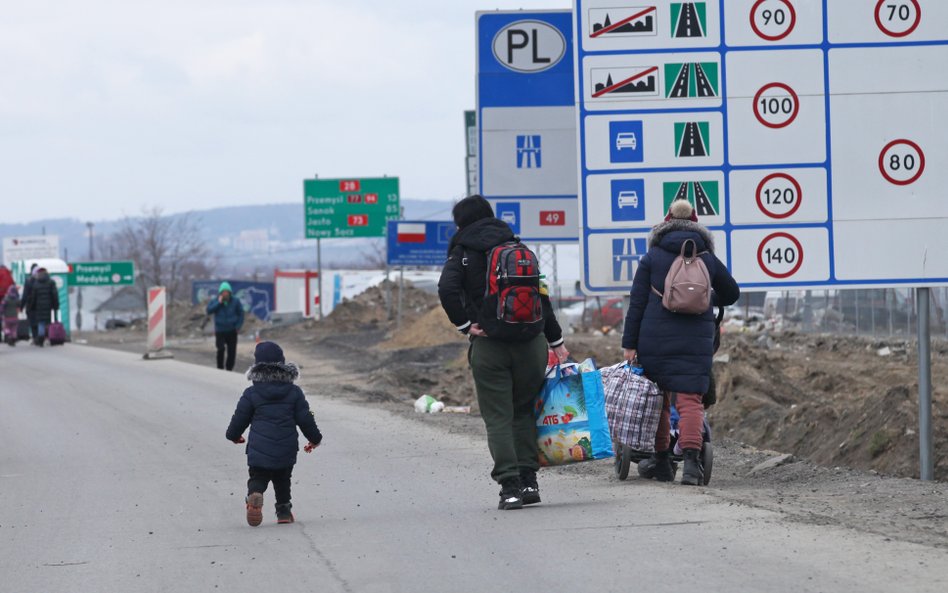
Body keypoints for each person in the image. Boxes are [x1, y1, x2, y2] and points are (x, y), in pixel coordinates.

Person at [438, 195, 569, 510]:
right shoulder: (517, 247)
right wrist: (556, 341)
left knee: (498, 417)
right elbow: (541, 298)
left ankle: (509, 486)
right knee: (523, 412)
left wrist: (466, 325)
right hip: (531, 344)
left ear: (462, 222)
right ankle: (529, 482)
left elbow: (446, 288)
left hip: (490, 345)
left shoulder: (463, 251)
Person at [621, 199, 740, 486]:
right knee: (689, 401)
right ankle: (690, 465)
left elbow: (636, 304)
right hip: (696, 341)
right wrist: (708, 296)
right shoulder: (708, 259)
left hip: (654, 340)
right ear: (697, 225)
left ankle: (661, 462)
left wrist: (630, 344)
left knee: (659, 401)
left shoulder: (652, 257)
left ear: (665, 222)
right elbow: (732, 293)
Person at [226, 341, 323, 526]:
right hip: (286, 447)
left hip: (259, 448)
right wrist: (315, 439)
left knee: (258, 477)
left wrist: (233, 435)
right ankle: (284, 512)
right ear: (283, 363)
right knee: (283, 478)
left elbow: (239, 417)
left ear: (257, 366)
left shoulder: (251, 393)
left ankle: (255, 495)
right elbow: (307, 416)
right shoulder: (295, 392)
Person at [206, 281, 244, 371]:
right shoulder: (215, 301)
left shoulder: (235, 301)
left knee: (232, 352)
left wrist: (238, 326)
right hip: (220, 330)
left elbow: (241, 314)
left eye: (227, 292)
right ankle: (220, 368)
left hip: (232, 330)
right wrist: (219, 303)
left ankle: (229, 369)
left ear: (230, 292)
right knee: (220, 349)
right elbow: (208, 311)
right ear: (220, 293)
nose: (225, 294)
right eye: (223, 292)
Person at [27, 267, 59, 347]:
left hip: (39, 307)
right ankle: (50, 337)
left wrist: (32, 306)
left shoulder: (36, 284)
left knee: (41, 323)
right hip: (49, 306)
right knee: (49, 322)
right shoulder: (51, 282)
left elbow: (33, 297)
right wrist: (56, 305)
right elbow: (54, 295)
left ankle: (41, 338)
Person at [19, 264, 38, 340]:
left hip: (30, 305)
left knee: (32, 321)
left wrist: (21, 306)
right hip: (40, 305)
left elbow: (25, 294)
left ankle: (35, 337)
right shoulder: (42, 280)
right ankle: (40, 337)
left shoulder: (28, 281)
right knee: (40, 322)